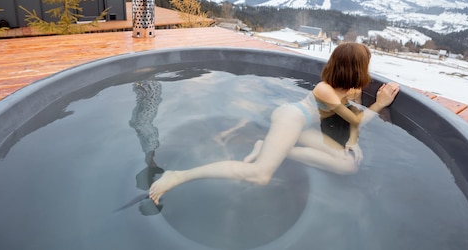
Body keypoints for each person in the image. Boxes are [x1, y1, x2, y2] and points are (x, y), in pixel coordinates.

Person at [149, 42, 400, 205]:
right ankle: (179, 176)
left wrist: (354, 141)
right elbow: (355, 119)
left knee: (349, 163)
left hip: (303, 127)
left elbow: (352, 121)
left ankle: (270, 147)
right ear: (355, 69)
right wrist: (379, 105)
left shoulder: (350, 89)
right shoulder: (324, 89)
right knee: (261, 175)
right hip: (291, 119)